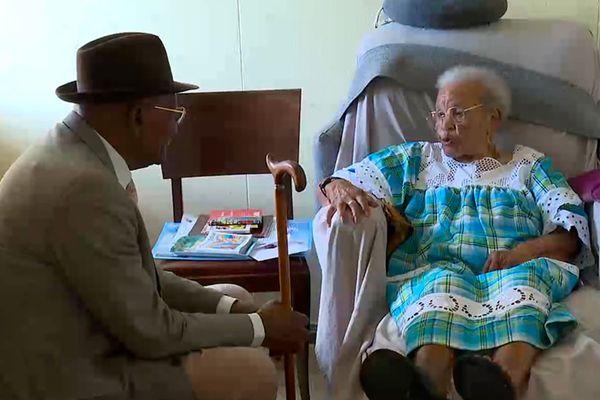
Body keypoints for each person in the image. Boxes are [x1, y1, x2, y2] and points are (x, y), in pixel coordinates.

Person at [0, 32, 308, 400]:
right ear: (138, 115)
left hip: (80, 332)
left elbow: (138, 276)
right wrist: (259, 327)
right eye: (174, 112)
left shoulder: (71, 150)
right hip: (65, 373)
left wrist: (234, 310)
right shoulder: (84, 188)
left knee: (232, 293)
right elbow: (149, 331)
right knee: (252, 371)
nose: (177, 129)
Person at [316, 66, 592, 400]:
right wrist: (340, 190)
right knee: (438, 290)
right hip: (436, 268)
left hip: (515, 267)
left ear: (493, 118)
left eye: (458, 113)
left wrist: (523, 252)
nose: (445, 125)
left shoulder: (528, 166)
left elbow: (570, 231)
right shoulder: (418, 159)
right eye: (439, 114)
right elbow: (342, 180)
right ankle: (422, 385)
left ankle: (497, 385)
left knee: (524, 291)